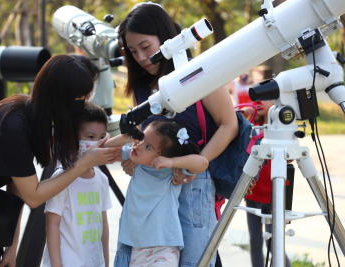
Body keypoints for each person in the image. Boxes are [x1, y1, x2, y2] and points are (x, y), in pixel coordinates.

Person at [0, 55, 121, 267]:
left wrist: (11, 246)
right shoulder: (13, 126)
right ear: (60, 96)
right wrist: (83, 164)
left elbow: (17, 189)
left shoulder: (35, 118)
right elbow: (33, 196)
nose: (82, 106)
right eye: (80, 99)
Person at [116, 3, 239, 266]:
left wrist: (195, 165)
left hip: (193, 184)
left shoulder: (198, 73)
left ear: (165, 36)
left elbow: (229, 125)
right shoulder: (142, 86)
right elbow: (144, 134)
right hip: (153, 187)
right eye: (132, 50)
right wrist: (133, 156)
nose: (139, 57)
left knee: (195, 259)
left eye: (145, 47)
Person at [108, 120, 209, 267]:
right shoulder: (137, 161)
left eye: (148, 147)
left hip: (162, 248)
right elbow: (104, 150)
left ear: (161, 156)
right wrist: (126, 137)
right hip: (132, 248)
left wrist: (172, 162)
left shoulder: (169, 171)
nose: (139, 146)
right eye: (141, 138)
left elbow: (202, 162)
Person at [42, 102, 112, 267]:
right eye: (90, 137)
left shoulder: (101, 180)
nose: (97, 143)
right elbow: (52, 225)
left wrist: (105, 262)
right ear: (73, 138)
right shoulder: (61, 179)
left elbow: (104, 224)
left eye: (102, 137)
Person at [242, 100, 292, 267]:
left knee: (274, 243)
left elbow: (291, 155)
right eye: (256, 100)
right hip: (252, 193)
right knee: (255, 242)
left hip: (273, 196)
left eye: (264, 98)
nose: (258, 102)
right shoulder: (252, 125)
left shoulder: (283, 126)